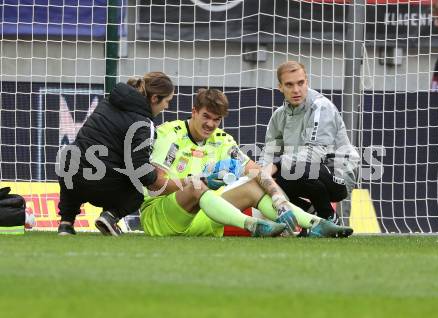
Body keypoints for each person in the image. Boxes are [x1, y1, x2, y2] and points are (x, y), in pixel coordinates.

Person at [140, 88, 353, 238]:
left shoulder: (222, 139)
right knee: (197, 186)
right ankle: (252, 226)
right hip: (160, 219)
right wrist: (199, 180)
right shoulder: (170, 134)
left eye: (216, 120)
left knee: (254, 184)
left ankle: (317, 224)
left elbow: (256, 171)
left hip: (202, 220)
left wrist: (279, 199)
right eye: (206, 116)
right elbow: (155, 185)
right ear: (194, 112)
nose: (210, 124)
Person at [57, 72, 174, 236]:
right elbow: (139, 169)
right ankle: (110, 216)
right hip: (101, 183)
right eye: (167, 101)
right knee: (137, 190)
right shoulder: (144, 123)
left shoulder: (108, 102)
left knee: (73, 161)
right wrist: (157, 178)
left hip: (71, 176)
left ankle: (66, 223)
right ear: (155, 98)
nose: (167, 107)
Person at [260, 61, 360, 228]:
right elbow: (269, 152)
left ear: (307, 81)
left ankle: (328, 216)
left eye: (300, 83)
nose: (296, 90)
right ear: (280, 87)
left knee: (302, 168)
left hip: (340, 174)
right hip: (303, 170)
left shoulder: (322, 107)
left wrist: (276, 165)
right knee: (269, 178)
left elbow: (314, 154)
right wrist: (262, 174)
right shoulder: (279, 116)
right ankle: (311, 215)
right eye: (289, 85)